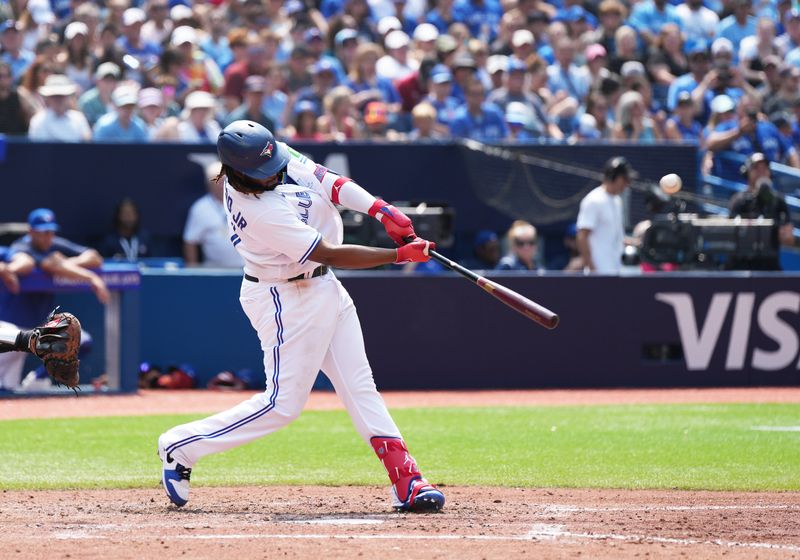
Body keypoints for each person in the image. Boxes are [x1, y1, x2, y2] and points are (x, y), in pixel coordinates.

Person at [158, 120, 444, 514]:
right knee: (282, 405)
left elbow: (330, 182)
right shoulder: (255, 208)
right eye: (265, 171)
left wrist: (381, 210)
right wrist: (397, 256)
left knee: (360, 386)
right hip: (284, 295)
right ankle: (181, 446)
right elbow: (327, 252)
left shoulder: (268, 158)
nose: (275, 171)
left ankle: (406, 479)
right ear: (237, 172)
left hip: (322, 288)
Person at [0, 208, 108, 389]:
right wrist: (89, 277)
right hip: (11, 327)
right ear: (31, 232)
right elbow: (50, 264)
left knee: (81, 341)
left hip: (36, 326)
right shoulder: (21, 248)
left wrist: (65, 264)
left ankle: (38, 379)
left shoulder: (53, 245)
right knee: (6, 387)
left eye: (50, 232)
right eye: (43, 233)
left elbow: (94, 257)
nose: (48, 237)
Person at [727, 152, 794, 270]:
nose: (761, 172)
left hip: (770, 264)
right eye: (756, 168)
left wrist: (784, 235)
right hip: (741, 264)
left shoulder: (778, 201)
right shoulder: (738, 200)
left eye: (765, 168)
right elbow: (729, 236)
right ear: (747, 173)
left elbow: (789, 240)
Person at [576, 156, 637, 274]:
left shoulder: (617, 201)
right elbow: (582, 236)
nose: (627, 184)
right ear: (615, 177)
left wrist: (635, 242)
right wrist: (592, 268)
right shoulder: (594, 200)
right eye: (624, 179)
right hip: (599, 273)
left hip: (617, 270)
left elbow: (615, 236)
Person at [182, 161, 244, 268]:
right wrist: (192, 271)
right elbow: (190, 241)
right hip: (214, 270)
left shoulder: (245, 202)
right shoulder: (200, 208)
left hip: (246, 270)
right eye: (216, 181)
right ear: (208, 184)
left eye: (224, 180)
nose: (221, 185)